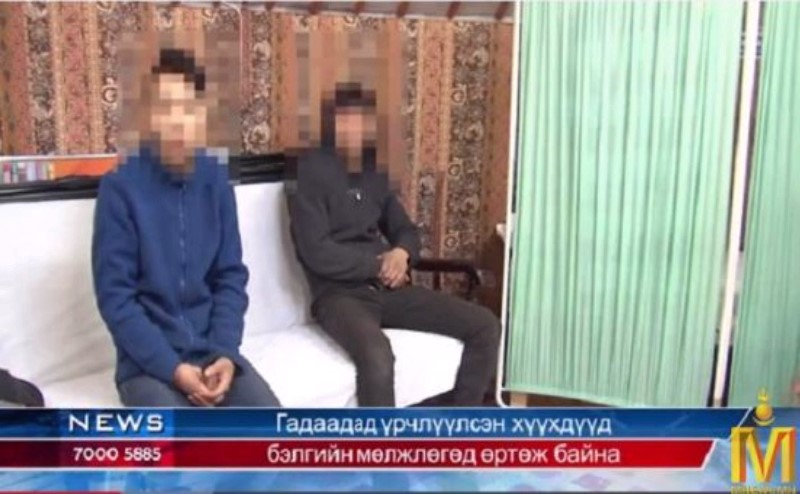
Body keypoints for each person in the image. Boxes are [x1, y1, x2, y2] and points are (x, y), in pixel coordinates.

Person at [286, 82, 500, 407]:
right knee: (378, 356)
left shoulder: (373, 171)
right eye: (347, 120)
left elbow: (405, 230)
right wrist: (378, 265)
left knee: (485, 325)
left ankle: (460, 425)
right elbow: (316, 251)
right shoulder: (306, 173)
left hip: (387, 289)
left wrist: (401, 253)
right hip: (340, 296)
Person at [92, 47, 279, 407]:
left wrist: (226, 353)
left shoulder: (216, 180)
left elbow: (230, 277)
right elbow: (116, 299)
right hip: (147, 367)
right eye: (166, 107)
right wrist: (172, 368)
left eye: (189, 108)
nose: (178, 120)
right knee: (186, 439)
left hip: (213, 354)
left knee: (274, 427)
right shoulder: (120, 188)